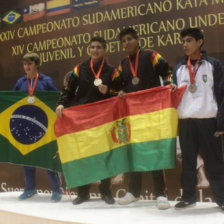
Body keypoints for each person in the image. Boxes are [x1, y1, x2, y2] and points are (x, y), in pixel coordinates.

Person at [56, 36, 120, 205]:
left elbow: (120, 93)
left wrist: (109, 91)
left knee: (105, 155)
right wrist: (62, 104)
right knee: (82, 155)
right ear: (89, 49)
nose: (95, 50)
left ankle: (105, 192)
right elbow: (68, 89)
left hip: (103, 119)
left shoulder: (112, 71)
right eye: (92, 47)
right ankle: (83, 193)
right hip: (82, 119)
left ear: (105, 50)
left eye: (98, 47)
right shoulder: (80, 69)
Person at [114, 27, 173, 209]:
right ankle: (133, 192)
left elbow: (167, 71)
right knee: (134, 153)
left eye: (130, 39)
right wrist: (120, 91)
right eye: (123, 41)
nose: (127, 43)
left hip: (152, 112)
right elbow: (118, 86)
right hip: (133, 116)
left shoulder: (151, 55)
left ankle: (161, 194)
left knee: (154, 151)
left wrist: (170, 85)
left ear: (138, 39)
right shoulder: (123, 64)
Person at [173, 28, 224, 210]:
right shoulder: (178, 68)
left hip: (208, 121)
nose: (185, 45)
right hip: (186, 122)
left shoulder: (213, 65)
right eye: (183, 41)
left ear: (200, 42)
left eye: (189, 41)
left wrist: (221, 122)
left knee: (214, 162)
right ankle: (188, 197)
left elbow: (221, 94)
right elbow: (175, 97)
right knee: (188, 163)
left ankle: (222, 199)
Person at [13, 52, 62, 202]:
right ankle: (30, 188)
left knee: (48, 156)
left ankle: (56, 189)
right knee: (27, 156)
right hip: (26, 124)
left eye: (30, 64)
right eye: (25, 64)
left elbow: (56, 98)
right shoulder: (20, 82)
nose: (27, 67)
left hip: (44, 124)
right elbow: (13, 101)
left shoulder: (46, 81)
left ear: (37, 64)